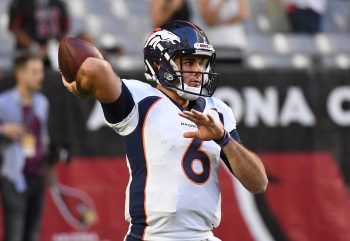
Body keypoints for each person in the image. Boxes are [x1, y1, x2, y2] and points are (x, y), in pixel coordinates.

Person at [61, 20, 268, 240]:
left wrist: (223, 139)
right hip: (154, 235)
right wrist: (82, 88)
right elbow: (95, 68)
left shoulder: (218, 111)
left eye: (201, 63)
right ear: (159, 64)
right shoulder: (140, 99)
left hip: (203, 235)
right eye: (189, 61)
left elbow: (258, 183)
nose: (198, 71)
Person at [0, 53, 49, 241]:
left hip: (37, 175)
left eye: (41, 71)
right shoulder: (4, 102)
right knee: (14, 234)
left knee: (32, 234)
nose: (40, 76)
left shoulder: (42, 102)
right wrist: (4, 129)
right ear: (20, 74)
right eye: (35, 72)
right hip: (13, 176)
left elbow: (42, 136)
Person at [8, 0, 69, 67]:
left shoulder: (58, 3)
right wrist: (35, 47)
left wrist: (58, 47)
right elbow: (16, 29)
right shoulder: (20, 3)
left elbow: (65, 28)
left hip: (54, 53)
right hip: (28, 55)